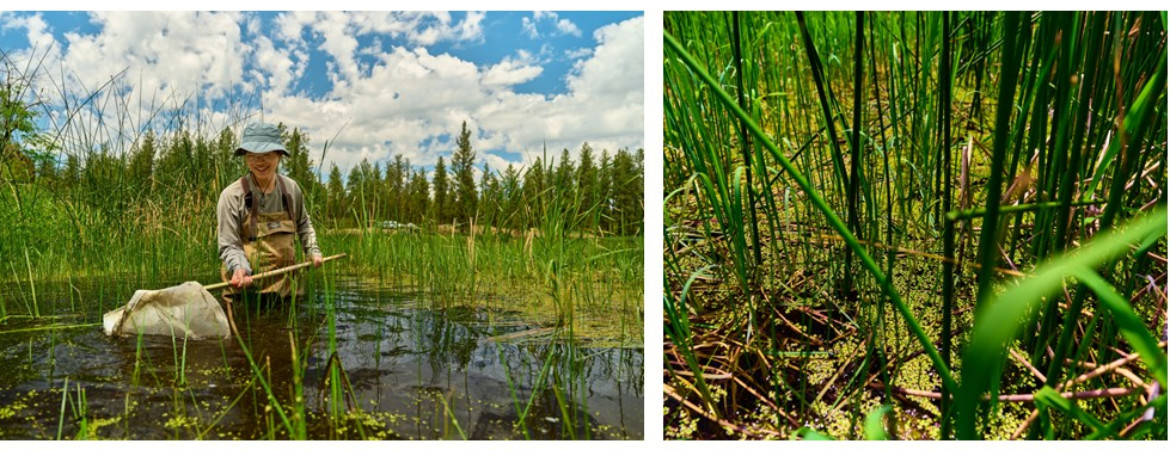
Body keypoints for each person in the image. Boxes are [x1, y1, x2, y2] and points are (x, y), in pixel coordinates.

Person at [217, 121, 324, 304]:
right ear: (245, 157)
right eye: (252, 156)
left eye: (266, 155)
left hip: (288, 290)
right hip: (245, 291)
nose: (259, 162)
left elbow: (304, 225)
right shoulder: (231, 196)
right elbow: (229, 244)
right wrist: (241, 269)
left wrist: (312, 250)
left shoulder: (291, 189)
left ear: (279, 155)